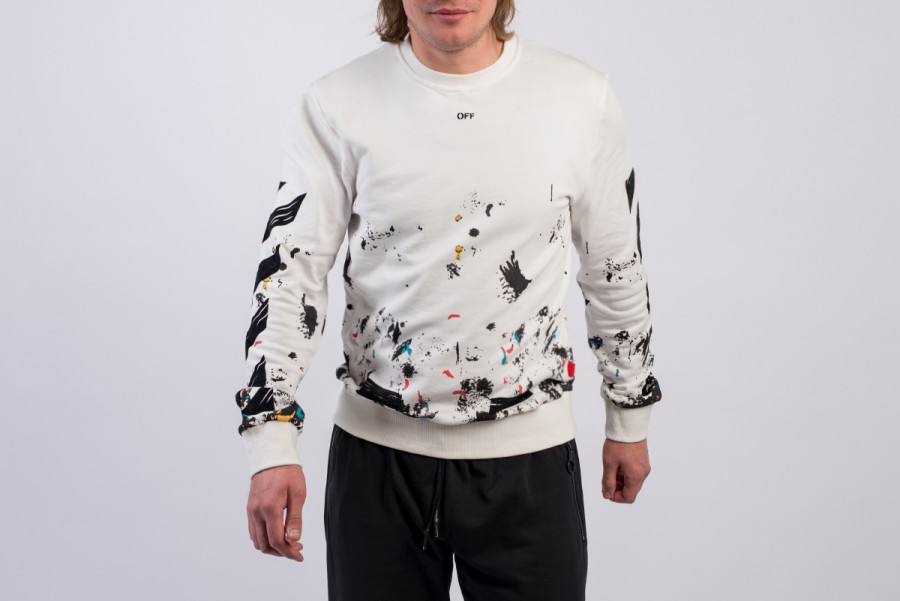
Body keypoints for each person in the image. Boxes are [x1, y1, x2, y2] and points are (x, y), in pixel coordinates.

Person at [234, 1, 663, 599]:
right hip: (377, 463)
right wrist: (270, 439)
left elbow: (613, 264)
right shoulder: (337, 103)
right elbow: (292, 273)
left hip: (530, 462)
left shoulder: (579, 98)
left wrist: (629, 414)